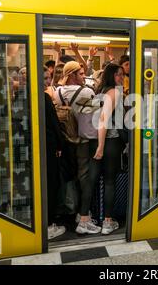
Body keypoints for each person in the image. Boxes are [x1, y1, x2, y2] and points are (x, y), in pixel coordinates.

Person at [54, 61, 102, 234]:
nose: (84, 76)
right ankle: (83, 217)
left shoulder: (57, 92)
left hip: (66, 142)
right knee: (85, 178)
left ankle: (72, 211)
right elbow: (92, 120)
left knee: (71, 177)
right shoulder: (87, 92)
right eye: (81, 74)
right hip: (83, 142)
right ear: (72, 75)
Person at [91, 63, 124, 235]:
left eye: (123, 74)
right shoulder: (115, 92)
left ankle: (89, 217)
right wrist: (101, 147)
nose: (121, 78)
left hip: (98, 140)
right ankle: (108, 221)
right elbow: (104, 119)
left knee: (97, 180)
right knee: (110, 181)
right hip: (110, 141)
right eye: (118, 74)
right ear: (111, 75)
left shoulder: (101, 90)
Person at [44, 71, 66, 240]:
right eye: (43, 78)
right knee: (51, 185)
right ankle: (49, 224)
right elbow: (54, 124)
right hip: (49, 148)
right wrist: (60, 145)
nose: (47, 81)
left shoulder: (22, 97)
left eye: (47, 77)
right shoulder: (44, 99)